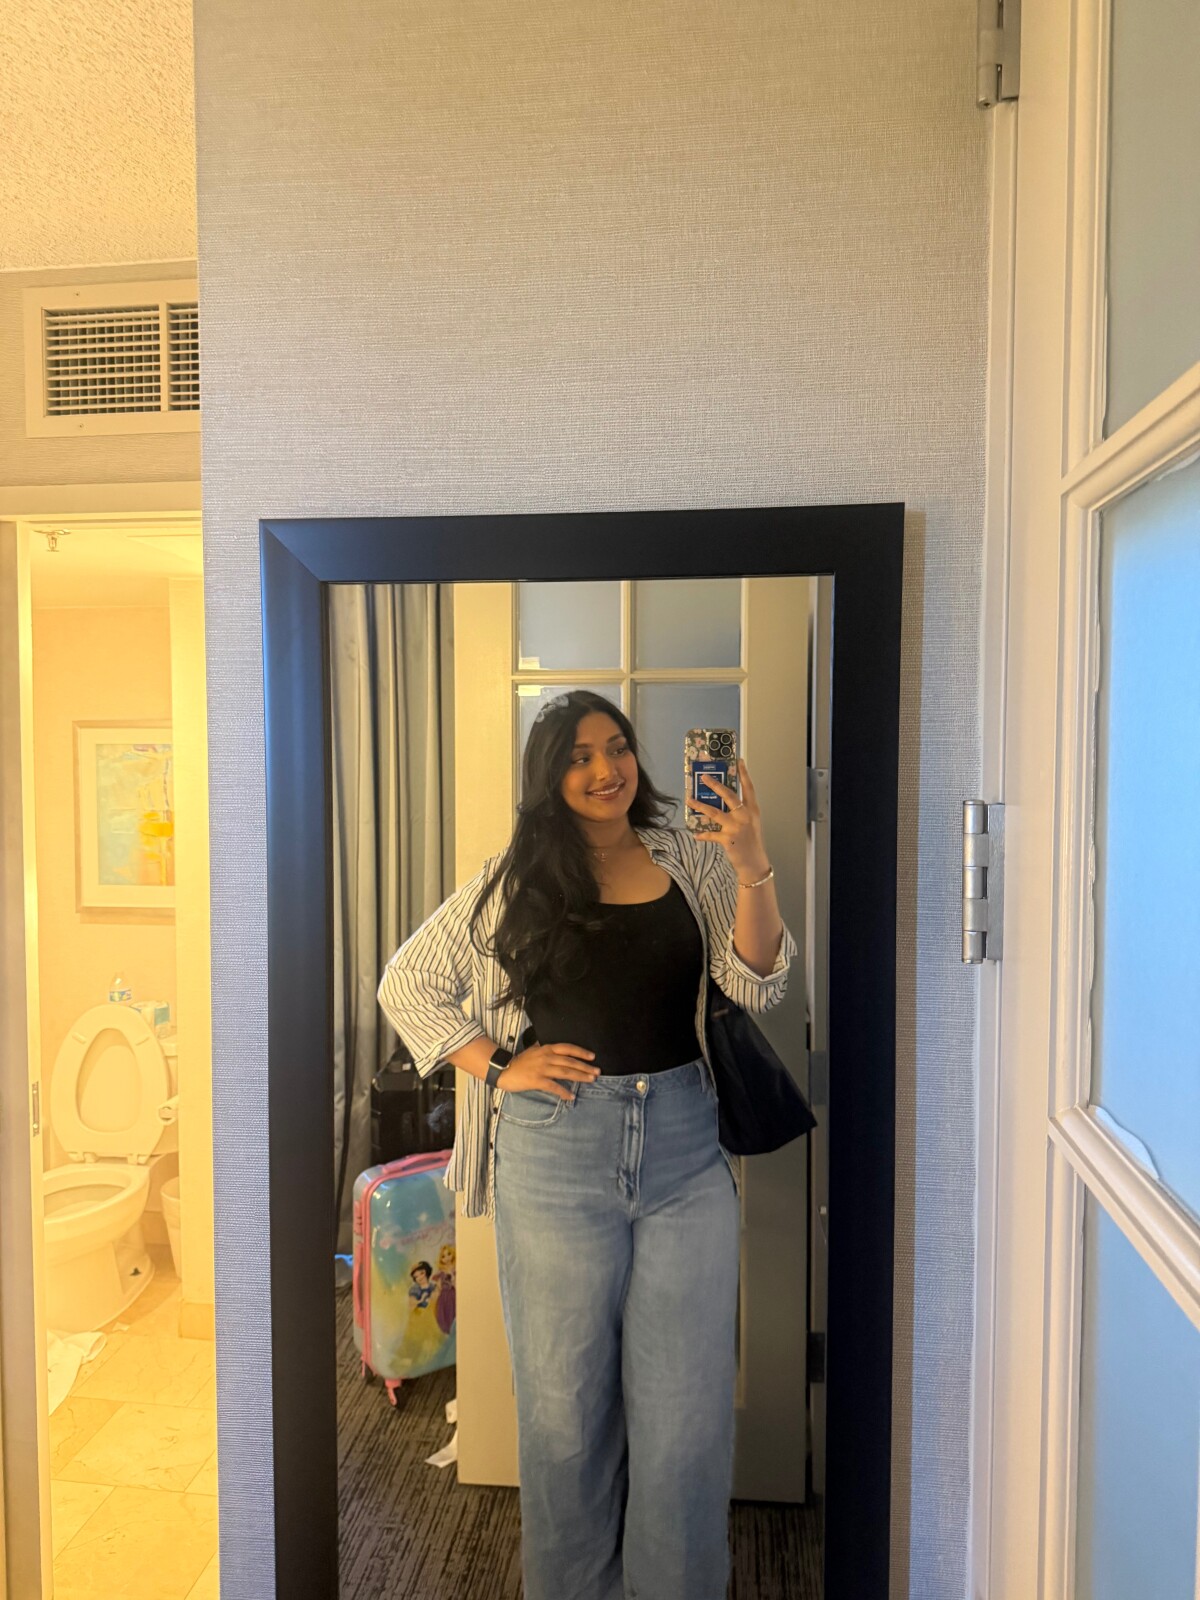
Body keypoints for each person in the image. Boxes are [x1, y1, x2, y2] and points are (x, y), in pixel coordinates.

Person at [377, 690, 795, 1600]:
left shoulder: (691, 855)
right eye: (578, 756)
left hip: (683, 1150)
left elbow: (759, 983)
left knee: (685, 1419)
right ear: (550, 776)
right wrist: (501, 1066)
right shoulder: (516, 878)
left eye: (617, 748)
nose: (605, 770)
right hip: (556, 1154)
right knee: (564, 1415)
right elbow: (407, 982)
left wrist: (750, 860)